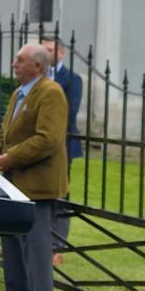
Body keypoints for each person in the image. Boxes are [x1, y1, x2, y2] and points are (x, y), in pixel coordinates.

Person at [0, 43, 69, 291]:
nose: (14, 65)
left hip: (38, 181)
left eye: (20, 60)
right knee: (12, 236)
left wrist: (10, 158)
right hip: (14, 177)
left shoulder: (51, 92)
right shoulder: (19, 93)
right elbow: (5, 130)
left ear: (38, 65)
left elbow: (48, 139)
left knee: (36, 241)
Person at [46, 38, 83, 267]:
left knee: (60, 195)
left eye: (50, 50)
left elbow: (70, 112)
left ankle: (57, 246)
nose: (46, 53)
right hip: (39, 145)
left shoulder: (72, 79)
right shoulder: (38, 77)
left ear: (61, 53)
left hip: (63, 144)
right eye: (43, 49)